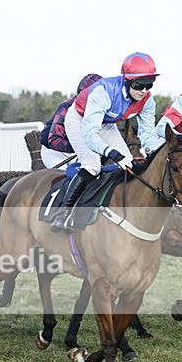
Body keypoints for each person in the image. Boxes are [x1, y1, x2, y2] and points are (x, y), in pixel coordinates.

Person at [50, 52, 162, 233]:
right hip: (80, 120)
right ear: (126, 80)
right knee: (92, 164)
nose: (144, 91)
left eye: (149, 85)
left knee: (129, 162)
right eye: (139, 85)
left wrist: (159, 151)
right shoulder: (104, 92)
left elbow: (148, 135)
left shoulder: (147, 101)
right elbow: (90, 135)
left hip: (106, 124)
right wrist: (111, 152)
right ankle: (62, 212)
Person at [39, 74, 103, 168]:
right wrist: (82, 146)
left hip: (79, 150)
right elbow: (54, 140)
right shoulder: (66, 107)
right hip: (55, 153)